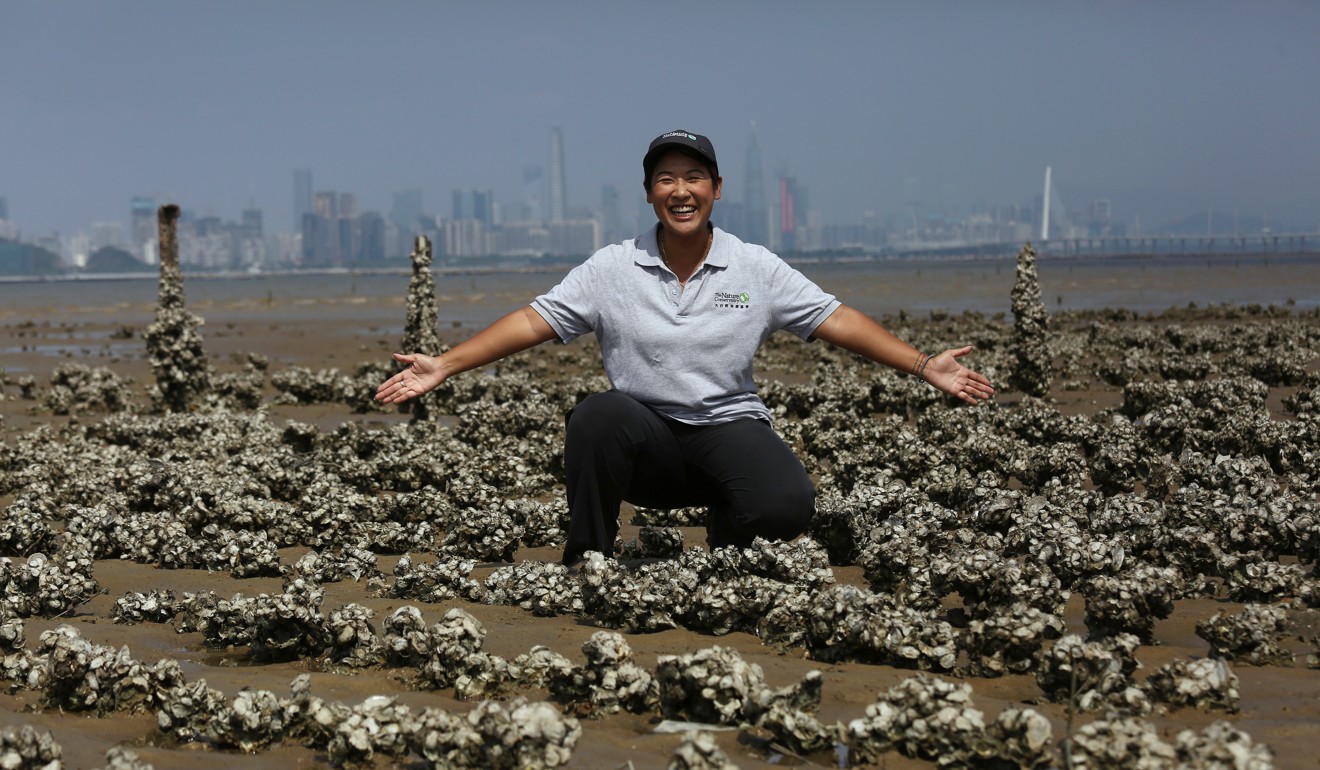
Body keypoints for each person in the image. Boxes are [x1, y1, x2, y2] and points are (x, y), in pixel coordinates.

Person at [376, 129, 995, 565]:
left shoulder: (755, 267)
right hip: (644, 440)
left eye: (694, 177)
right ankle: (586, 558)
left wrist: (922, 365)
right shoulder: (612, 267)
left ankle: (727, 541)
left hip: (728, 427)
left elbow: (838, 319)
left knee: (787, 506)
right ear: (649, 192)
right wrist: (445, 365)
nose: (681, 190)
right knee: (597, 415)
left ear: (716, 189)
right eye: (666, 178)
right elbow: (533, 320)